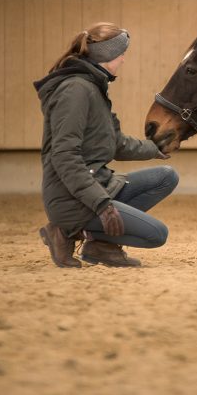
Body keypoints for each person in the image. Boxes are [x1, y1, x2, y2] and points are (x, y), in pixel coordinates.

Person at [33, 22, 178, 268]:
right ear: (107, 55)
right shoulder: (75, 90)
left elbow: (115, 143)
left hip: (99, 184)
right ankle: (64, 230)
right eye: (121, 53)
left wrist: (155, 149)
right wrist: (101, 204)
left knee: (166, 177)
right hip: (72, 199)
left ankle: (100, 245)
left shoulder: (94, 87)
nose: (123, 59)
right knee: (157, 234)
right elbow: (64, 155)